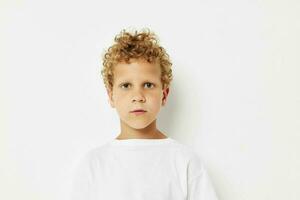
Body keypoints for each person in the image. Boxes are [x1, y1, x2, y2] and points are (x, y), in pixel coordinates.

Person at [70, 28, 219, 200]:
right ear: (111, 96)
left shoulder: (185, 162)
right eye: (126, 86)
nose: (138, 97)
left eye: (148, 85)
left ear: (164, 95)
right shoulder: (93, 165)